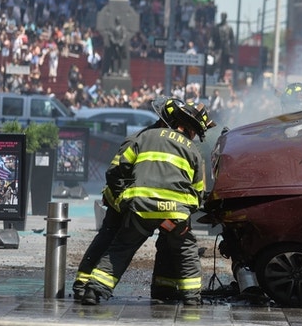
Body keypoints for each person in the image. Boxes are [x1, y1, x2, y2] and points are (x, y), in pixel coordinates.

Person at [80, 97, 216, 306]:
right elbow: (198, 193)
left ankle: (93, 290)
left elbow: (115, 170)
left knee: (122, 247)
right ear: (187, 128)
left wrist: (125, 200)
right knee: (185, 249)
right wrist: (183, 212)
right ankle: (191, 298)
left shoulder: (142, 137)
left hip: (141, 211)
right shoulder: (192, 150)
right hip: (172, 216)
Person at [71, 113, 164, 301]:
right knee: (109, 239)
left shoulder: (149, 138)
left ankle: (83, 283)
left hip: (127, 199)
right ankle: (84, 283)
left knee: (108, 239)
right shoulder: (140, 139)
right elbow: (114, 171)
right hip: (120, 198)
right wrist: (124, 200)